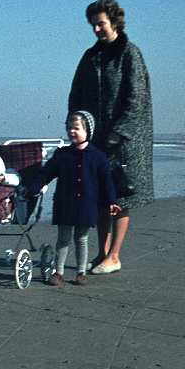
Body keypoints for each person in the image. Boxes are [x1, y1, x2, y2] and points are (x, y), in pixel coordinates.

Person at [67, 0, 154, 274]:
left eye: (101, 24)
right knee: (99, 198)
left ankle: (114, 256)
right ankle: (101, 254)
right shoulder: (90, 56)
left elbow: (137, 98)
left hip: (126, 143)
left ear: (115, 22)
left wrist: (120, 132)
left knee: (120, 196)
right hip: (95, 139)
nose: (96, 30)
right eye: (92, 25)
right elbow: (76, 94)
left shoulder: (130, 54)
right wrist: (76, 127)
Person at [24, 111, 121, 286]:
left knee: (81, 239)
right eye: (69, 128)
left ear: (88, 131)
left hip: (87, 204)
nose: (71, 131)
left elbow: (107, 182)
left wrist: (112, 201)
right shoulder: (62, 154)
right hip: (64, 203)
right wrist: (30, 188)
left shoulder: (98, 156)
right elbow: (46, 173)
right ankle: (58, 272)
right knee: (63, 238)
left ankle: (80, 272)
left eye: (76, 128)